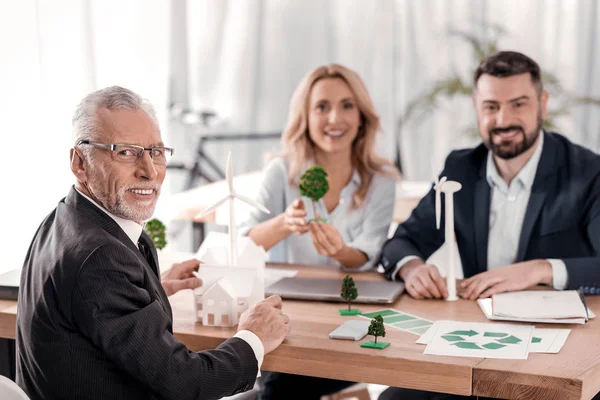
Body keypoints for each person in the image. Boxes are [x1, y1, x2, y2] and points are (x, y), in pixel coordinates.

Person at [16, 86, 291, 400]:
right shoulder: (100, 258)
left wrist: (148, 290)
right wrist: (253, 336)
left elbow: (93, 310)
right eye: (126, 152)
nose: (149, 171)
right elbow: (186, 383)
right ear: (80, 162)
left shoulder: (63, 219)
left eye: (156, 152)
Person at [377, 50, 600, 400]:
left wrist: (538, 270)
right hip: (477, 341)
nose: (503, 119)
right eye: (491, 106)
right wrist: (412, 267)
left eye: (518, 104)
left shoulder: (588, 173)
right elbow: (400, 242)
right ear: (476, 107)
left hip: (559, 352)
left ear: (543, 104)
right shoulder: (461, 169)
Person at [238, 64, 399, 399]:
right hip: (288, 320)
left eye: (346, 106)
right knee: (282, 380)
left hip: (351, 320)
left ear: (361, 117)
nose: (334, 119)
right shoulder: (281, 171)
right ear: (306, 117)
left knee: (280, 386)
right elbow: (244, 244)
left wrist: (339, 251)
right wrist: (284, 223)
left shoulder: (380, 180)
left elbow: (369, 254)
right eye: (322, 107)